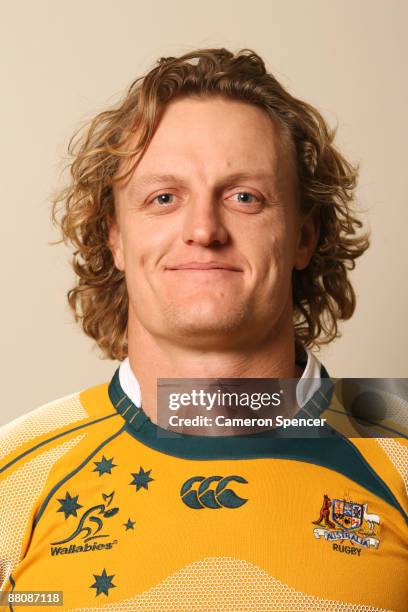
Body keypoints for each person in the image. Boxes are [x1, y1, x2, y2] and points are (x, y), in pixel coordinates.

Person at [0, 48, 406, 611]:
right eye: (164, 198)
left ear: (304, 237)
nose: (203, 229)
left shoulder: (398, 451)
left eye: (245, 197)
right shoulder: (15, 475)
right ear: (115, 237)